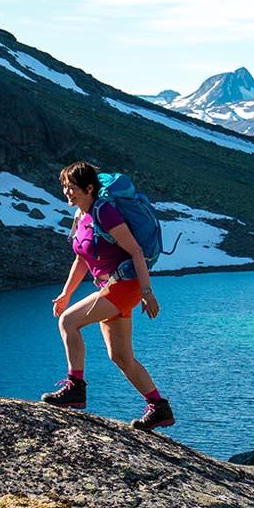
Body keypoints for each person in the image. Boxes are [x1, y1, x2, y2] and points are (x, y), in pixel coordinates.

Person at [41, 162, 174, 431]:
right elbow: (82, 257)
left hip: (125, 286)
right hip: (112, 287)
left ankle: (75, 388)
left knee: (68, 322)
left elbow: (136, 252)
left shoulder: (105, 212)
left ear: (90, 188)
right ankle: (159, 408)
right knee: (121, 356)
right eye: (65, 187)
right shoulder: (81, 216)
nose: (67, 192)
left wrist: (147, 293)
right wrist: (66, 292)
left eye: (73, 187)